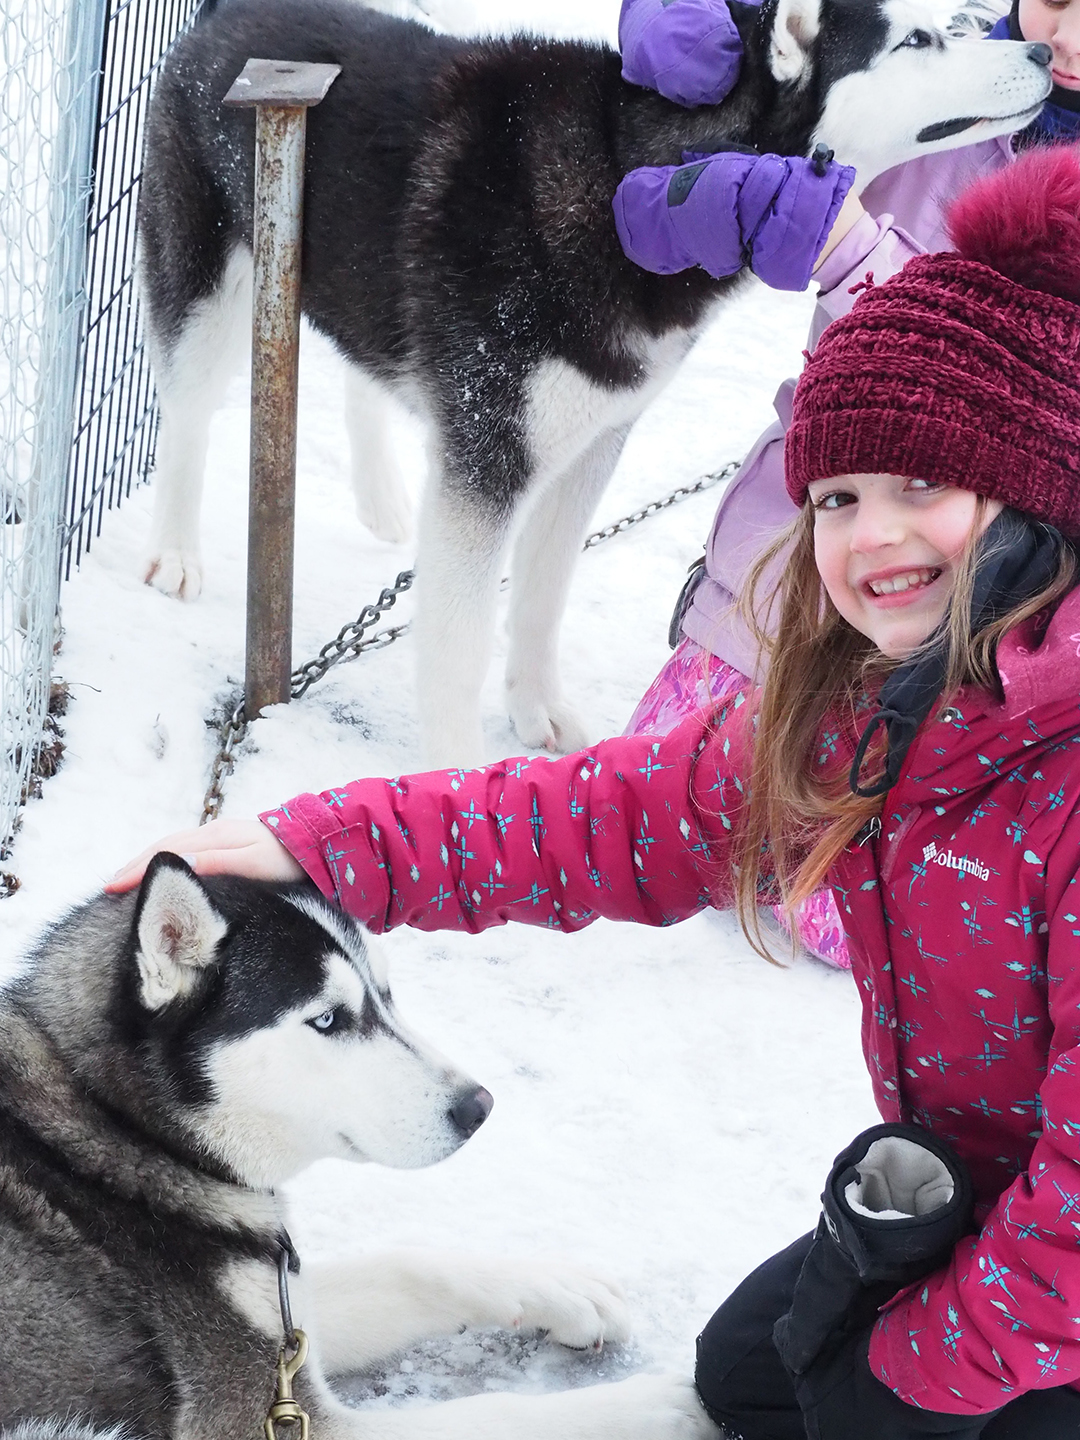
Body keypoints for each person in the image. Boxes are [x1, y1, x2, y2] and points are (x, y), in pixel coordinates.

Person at [111, 147, 1080, 1436]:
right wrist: (317, 845)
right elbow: (607, 817)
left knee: (876, 1405)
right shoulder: (875, 710)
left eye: (923, 485)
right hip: (990, 1172)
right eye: (838, 494)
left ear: (1041, 492)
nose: (868, 538)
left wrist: (927, 1371)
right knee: (753, 1376)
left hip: (1060, 1235)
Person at [613, 0, 1080, 969]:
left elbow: (1035, 408)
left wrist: (856, 257)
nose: (1064, 39)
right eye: (1057, 2)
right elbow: (772, 111)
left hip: (1007, 615)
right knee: (671, 816)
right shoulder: (947, 71)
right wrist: (711, 39)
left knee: (904, 912)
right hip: (805, 570)